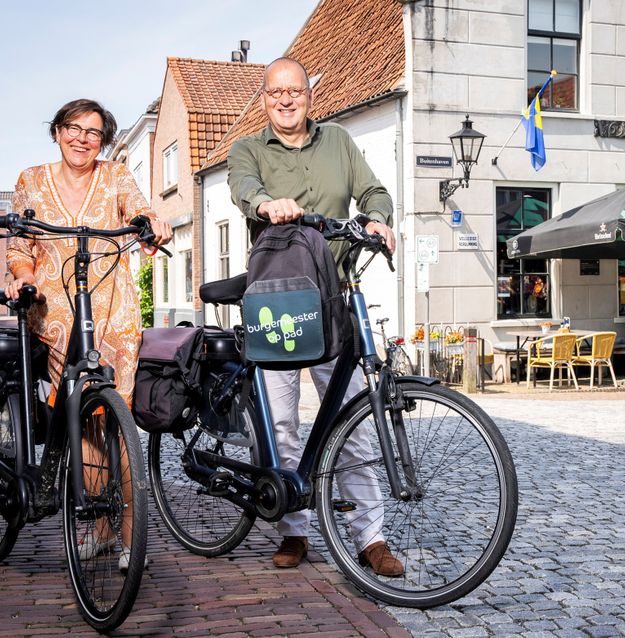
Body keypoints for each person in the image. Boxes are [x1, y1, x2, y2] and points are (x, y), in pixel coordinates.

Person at [228, 57, 403, 576]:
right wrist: (266, 205)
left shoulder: (339, 143)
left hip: (336, 300)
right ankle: (293, 530)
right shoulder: (248, 149)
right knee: (282, 421)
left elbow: (373, 192)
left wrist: (378, 218)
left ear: (310, 96)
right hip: (277, 301)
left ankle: (370, 538)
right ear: (264, 99)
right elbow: (242, 188)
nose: (286, 99)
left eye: (296, 91)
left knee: (354, 420)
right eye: (276, 92)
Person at [5, 98, 172, 571]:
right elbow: (21, 245)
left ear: (104, 140)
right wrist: (20, 275)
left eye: (93, 132)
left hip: (112, 312)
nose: (81, 138)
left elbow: (141, 213)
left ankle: (128, 538)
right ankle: (99, 528)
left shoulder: (117, 175)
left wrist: (152, 224)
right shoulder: (30, 180)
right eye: (72, 128)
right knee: (82, 422)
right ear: (56, 132)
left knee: (116, 422)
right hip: (56, 315)